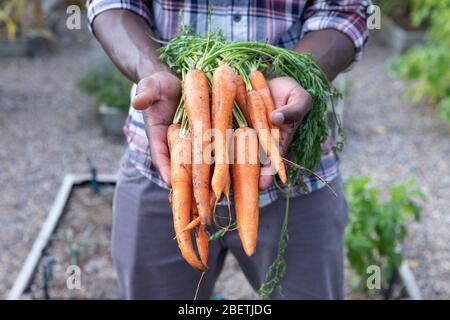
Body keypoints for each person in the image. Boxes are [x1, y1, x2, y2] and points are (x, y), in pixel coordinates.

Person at [87, 0, 370, 299]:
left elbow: (343, 11)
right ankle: (200, 204)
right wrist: (152, 70)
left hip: (294, 167)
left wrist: (294, 75)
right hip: (164, 165)